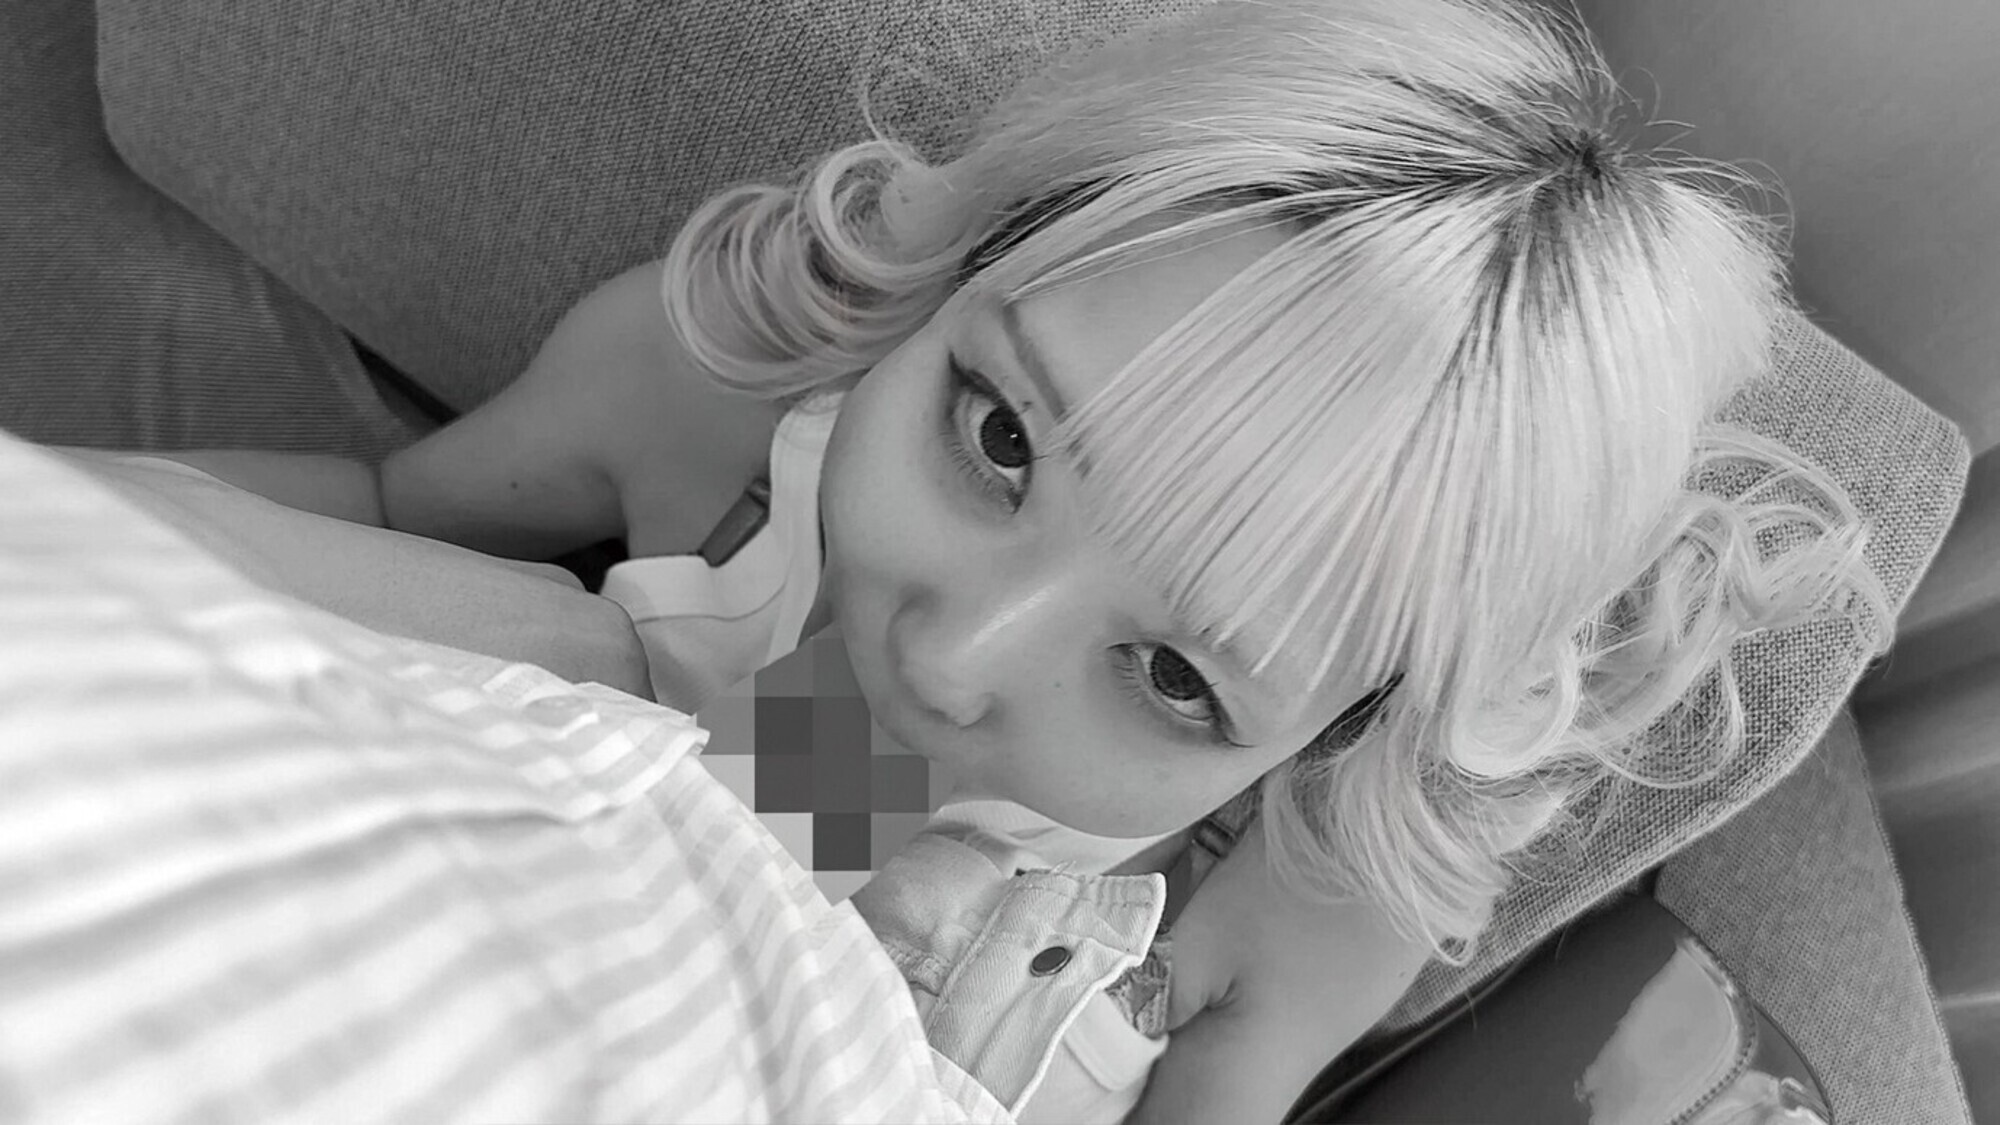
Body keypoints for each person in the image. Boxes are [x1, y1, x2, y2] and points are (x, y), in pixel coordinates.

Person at [92, 0, 1893, 1120]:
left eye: (1176, 677)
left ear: (1347, 728)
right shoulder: (702, 398)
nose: (954, 655)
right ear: (978, 259)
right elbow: (385, 509)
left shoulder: (1313, 876)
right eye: (1001, 437)